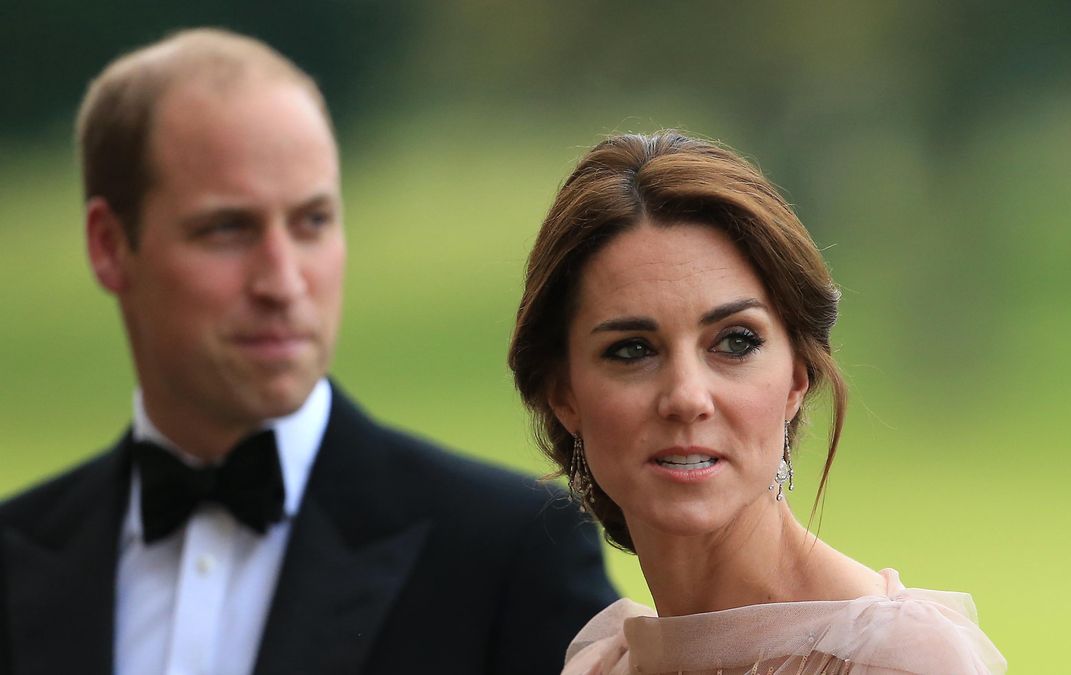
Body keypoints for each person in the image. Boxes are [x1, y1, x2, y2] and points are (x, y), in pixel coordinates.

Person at [0, 28, 615, 675]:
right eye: (227, 229)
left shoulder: (506, 553)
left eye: (312, 222)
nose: (284, 281)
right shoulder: (16, 558)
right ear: (108, 245)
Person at [509, 132, 1006, 674]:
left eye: (735, 342)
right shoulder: (603, 665)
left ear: (797, 376)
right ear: (564, 395)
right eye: (632, 350)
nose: (687, 398)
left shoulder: (897, 663)